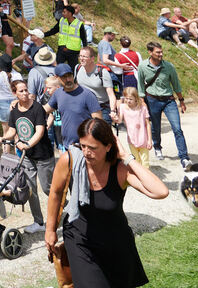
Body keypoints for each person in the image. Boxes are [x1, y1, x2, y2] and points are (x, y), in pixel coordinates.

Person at [45, 118, 169, 288]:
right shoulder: (70, 161)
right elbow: (56, 193)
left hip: (115, 243)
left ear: (109, 146)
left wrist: (127, 157)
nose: (86, 152)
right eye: (83, 146)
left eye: (93, 148)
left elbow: (160, 191)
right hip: (80, 238)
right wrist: (50, 230)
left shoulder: (120, 169)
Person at [0, 78, 54, 234]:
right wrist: (4, 138)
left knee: (48, 188)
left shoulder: (37, 109)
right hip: (27, 157)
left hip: (43, 155)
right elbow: (12, 131)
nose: (25, 93)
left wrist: (28, 144)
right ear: (14, 93)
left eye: (26, 90)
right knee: (30, 189)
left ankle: (67, 206)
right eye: (21, 91)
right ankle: (39, 222)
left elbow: (40, 131)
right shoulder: (14, 111)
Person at [135, 42, 191, 167]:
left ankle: (184, 157)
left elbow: (176, 84)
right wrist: (142, 102)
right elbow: (140, 86)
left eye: (161, 52)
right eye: (158, 52)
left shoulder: (169, 66)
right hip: (152, 100)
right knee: (155, 127)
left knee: (177, 128)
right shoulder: (143, 66)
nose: (161, 54)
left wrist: (181, 101)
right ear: (150, 52)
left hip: (169, 100)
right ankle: (157, 147)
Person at [47, 63, 102, 148]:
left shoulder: (87, 94)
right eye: (64, 77)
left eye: (70, 75)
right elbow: (45, 109)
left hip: (85, 147)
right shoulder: (58, 93)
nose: (68, 79)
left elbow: (98, 122)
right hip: (67, 146)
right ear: (57, 78)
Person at [75, 46, 118, 123]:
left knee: (101, 134)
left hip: (101, 109)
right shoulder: (77, 68)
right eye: (80, 56)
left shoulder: (102, 72)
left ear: (92, 59)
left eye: (84, 56)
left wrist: (112, 111)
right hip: (84, 108)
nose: (81, 59)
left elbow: (111, 95)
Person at [115, 87, 151, 168]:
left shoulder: (143, 108)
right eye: (126, 98)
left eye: (130, 99)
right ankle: (139, 177)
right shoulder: (123, 107)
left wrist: (149, 140)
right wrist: (115, 118)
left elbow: (147, 124)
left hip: (143, 139)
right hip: (132, 139)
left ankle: (146, 177)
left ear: (136, 98)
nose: (128, 101)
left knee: (145, 162)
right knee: (136, 161)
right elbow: (119, 120)